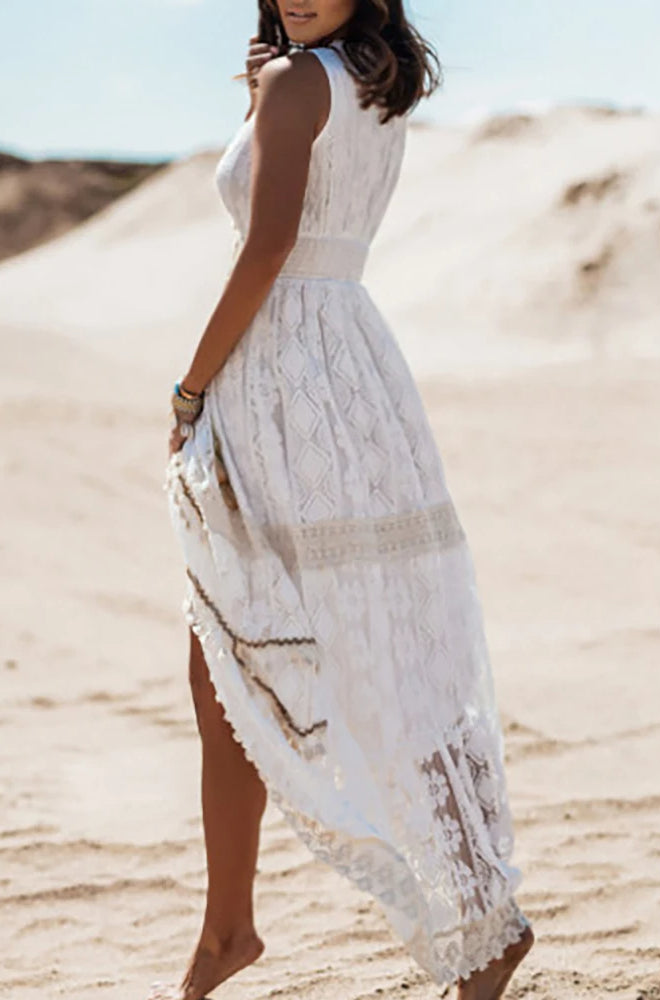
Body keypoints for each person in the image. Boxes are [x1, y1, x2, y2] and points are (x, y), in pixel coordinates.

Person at [155, 2, 534, 998]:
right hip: (356, 372)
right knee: (391, 650)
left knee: (231, 650)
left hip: (281, 381)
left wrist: (191, 388)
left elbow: (268, 246)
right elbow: (318, 211)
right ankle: (476, 912)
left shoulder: (298, 80)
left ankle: (231, 929)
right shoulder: (373, 81)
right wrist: (261, 100)